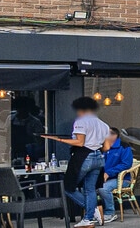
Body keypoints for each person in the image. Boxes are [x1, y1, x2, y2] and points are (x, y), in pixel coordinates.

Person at [45, 96, 111, 228]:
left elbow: (80, 142)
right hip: (98, 157)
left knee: (68, 187)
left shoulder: (81, 122)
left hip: (83, 156)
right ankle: (88, 218)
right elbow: (107, 147)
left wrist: (58, 139)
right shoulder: (103, 124)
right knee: (90, 189)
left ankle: (92, 211)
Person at [100, 132, 134, 220]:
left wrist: (109, 173)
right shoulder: (101, 146)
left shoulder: (124, 146)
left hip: (121, 179)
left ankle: (109, 213)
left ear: (114, 135)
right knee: (85, 187)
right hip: (103, 178)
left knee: (103, 188)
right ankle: (91, 213)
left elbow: (126, 164)